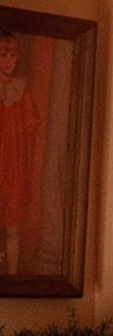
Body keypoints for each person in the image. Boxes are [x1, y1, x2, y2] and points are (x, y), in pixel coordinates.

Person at [0, 30, 38, 275]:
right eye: (3, 55)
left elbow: (31, 125)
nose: (8, 61)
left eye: (12, 55)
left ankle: (11, 279)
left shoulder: (22, 90)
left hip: (14, 165)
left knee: (13, 228)